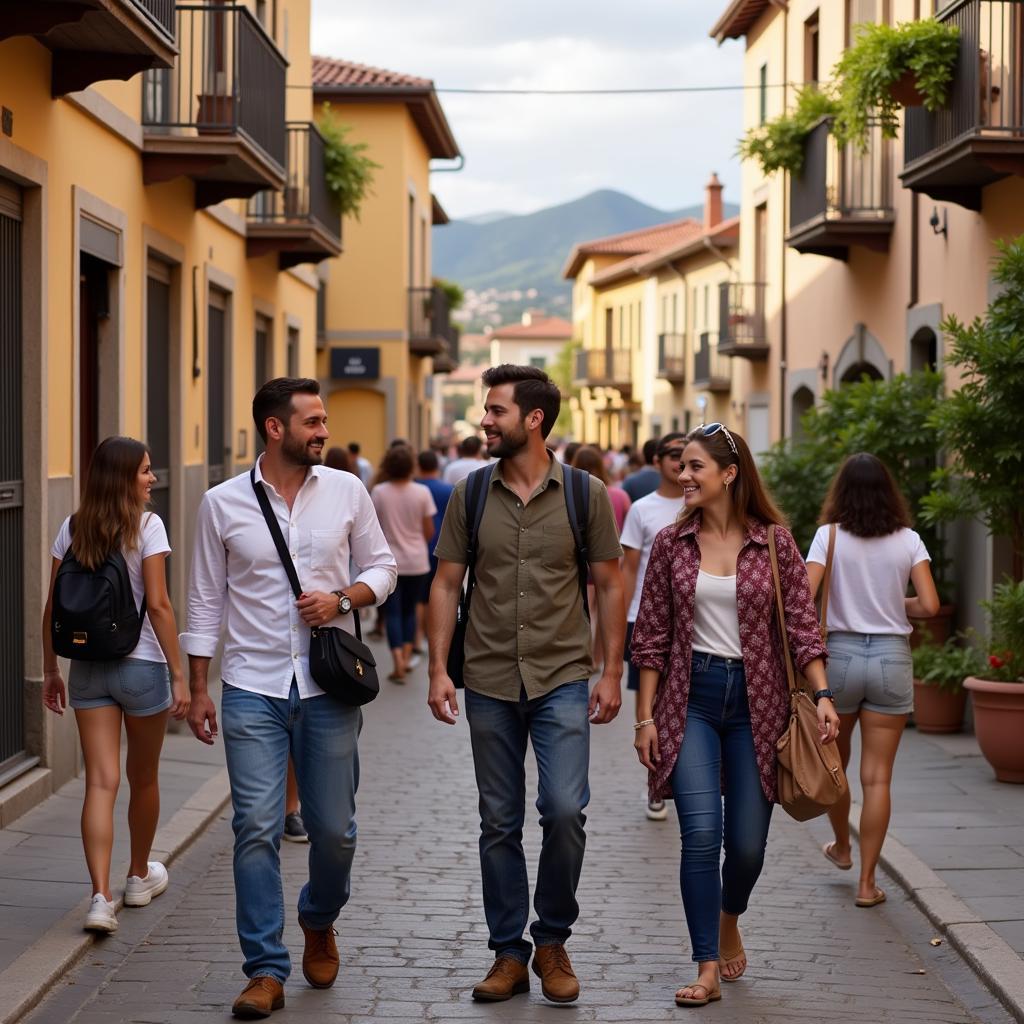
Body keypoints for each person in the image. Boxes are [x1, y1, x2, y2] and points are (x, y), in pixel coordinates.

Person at [182, 378, 397, 1019]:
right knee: (254, 827)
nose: (323, 430)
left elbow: (383, 568)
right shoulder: (221, 504)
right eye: (312, 421)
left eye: (324, 419)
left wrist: (344, 599)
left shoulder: (348, 492)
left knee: (335, 832)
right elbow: (203, 598)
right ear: (276, 428)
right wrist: (196, 686)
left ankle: (317, 917)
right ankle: (265, 970)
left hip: (329, 686)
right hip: (251, 685)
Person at [428, 364, 626, 1006]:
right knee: (499, 820)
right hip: (486, 675)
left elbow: (609, 583)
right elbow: (445, 583)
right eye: (486, 412)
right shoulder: (471, 493)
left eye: (495, 411)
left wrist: (612, 671)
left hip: (562, 674)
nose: (484, 421)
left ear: (533, 419)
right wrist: (437, 669)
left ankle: (552, 940)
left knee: (565, 811)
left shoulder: (584, 495)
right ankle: (508, 952)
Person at [631, 422, 838, 1009]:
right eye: (682, 466)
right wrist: (645, 719)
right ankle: (706, 966)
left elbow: (802, 627)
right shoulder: (672, 544)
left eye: (696, 466)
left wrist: (822, 696)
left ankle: (729, 917)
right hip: (689, 700)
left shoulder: (774, 542)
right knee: (701, 835)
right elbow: (650, 638)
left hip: (760, 705)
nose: (683, 475)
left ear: (729, 474)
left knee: (746, 847)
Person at [41, 436, 189, 933]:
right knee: (142, 777)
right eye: (145, 470)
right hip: (142, 666)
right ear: (126, 477)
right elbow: (161, 605)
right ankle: (137, 876)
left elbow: (53, 607)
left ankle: (100, 899)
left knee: (100, 783)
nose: (152, 478)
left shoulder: (73, 526)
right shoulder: (148, 526)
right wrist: (181, 673)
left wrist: (50, 670)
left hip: (87, 668)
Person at [806, 453, 939, 908]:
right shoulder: (909, 540)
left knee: (834, 767)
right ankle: (867, 884)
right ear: (889, 492)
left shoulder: (830, 537)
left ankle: (841, 846)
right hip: (890, 657)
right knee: (877, 778)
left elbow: (804, 598)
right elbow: (930, 605)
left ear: (840, 492)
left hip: (838, 658)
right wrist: (888, 604)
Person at [619, 431, 686, 821]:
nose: (680, 463)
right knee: (650, 707)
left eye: (687, 455)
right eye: (674, 455)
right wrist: (621, 619)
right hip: (644, 622)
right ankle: (656, 782)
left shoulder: (705, 504)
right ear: (657, 460)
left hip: (693, 625)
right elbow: (628, 568)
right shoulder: (642, 509)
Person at [371, 445, 436, 682]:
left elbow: (372, 527)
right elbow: (429, 530)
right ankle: (407, 656)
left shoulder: (379, 491)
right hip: (418, 561)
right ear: (411, 466)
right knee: (411, 610)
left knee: (392, 613)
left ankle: (397, 661)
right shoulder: (421, 492)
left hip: (389, 562)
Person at [413, 449, 454, 656]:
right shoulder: (449, 489)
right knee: (435, 594)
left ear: (418, 465)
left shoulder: (414, 488)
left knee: (419, 598)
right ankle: (432, 635)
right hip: (441, 546)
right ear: (437, 466)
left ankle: (418, 636)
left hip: (417, 547)